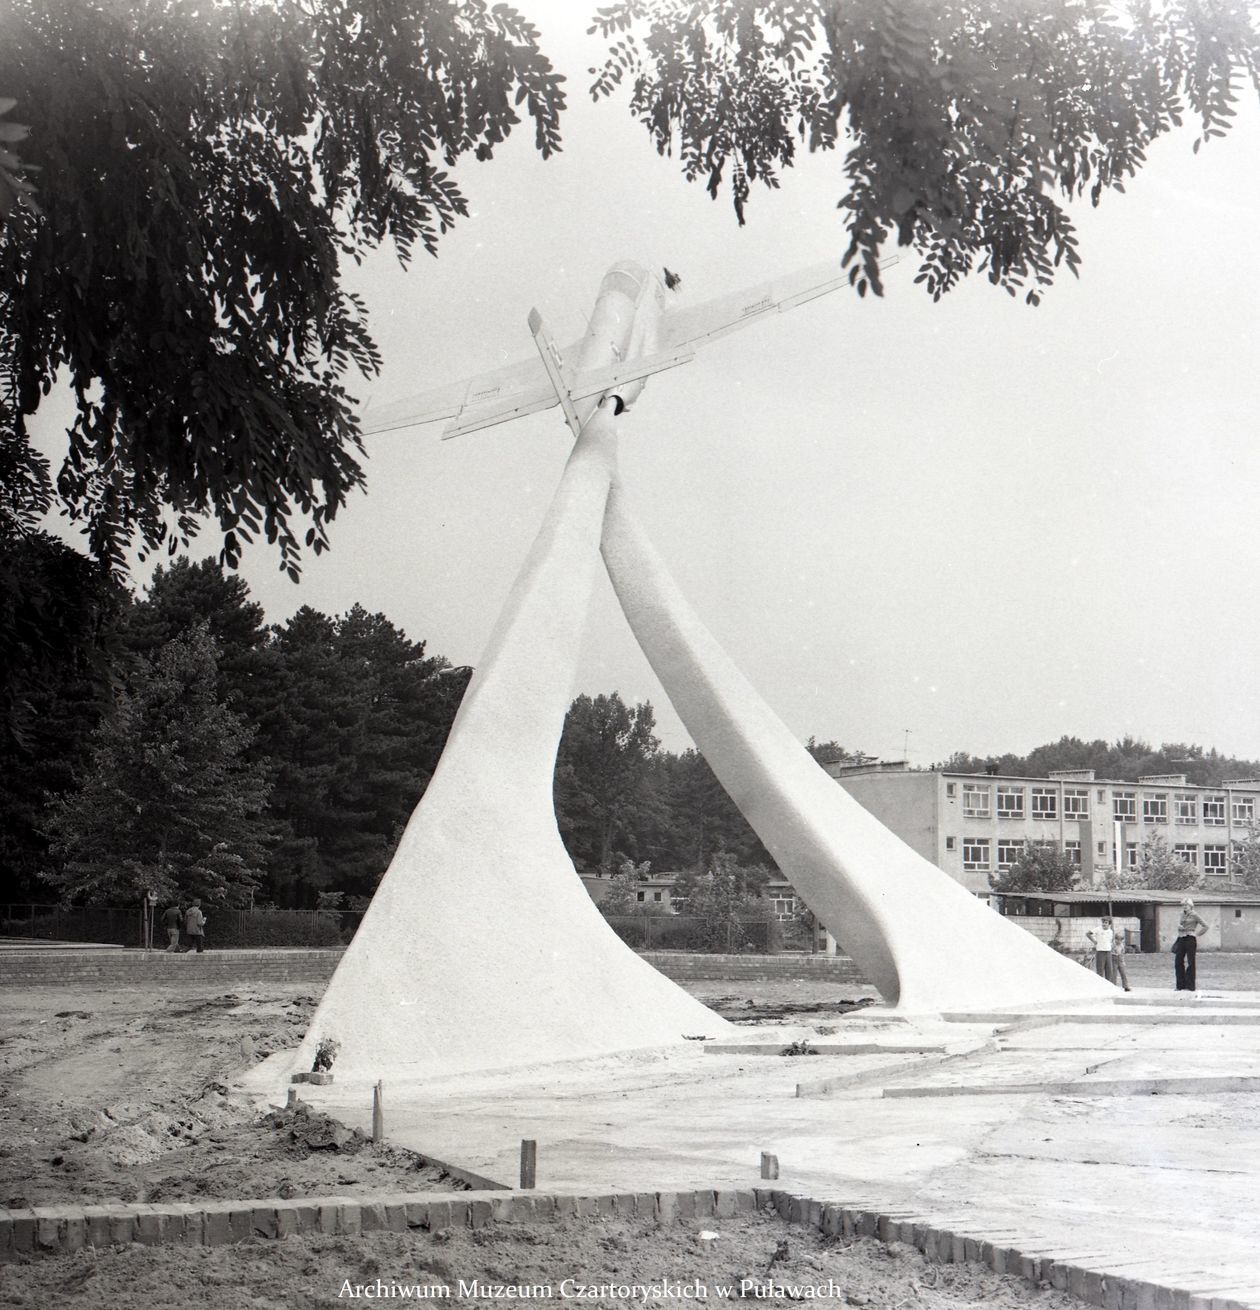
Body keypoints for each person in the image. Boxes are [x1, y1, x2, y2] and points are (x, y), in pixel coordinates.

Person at [1173, 897, 1208, 991]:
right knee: (1178, 961)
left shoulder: (1195, 915)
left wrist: (1197, 934)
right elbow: (1180, 925)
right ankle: (1180, 985)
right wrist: (1179, 927)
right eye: (1183, 905)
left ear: (1191, 906)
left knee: (1190, 962)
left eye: (1186, 905)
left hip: (1190, 938)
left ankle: (1190, 985)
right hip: (1181, 937)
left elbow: (1205, 926)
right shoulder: (1181, 914)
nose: (1184, 907)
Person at [1084, 917, 1115, 983]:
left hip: (1108, 952)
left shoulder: (1111, 931)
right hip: (1100, 952)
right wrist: (1094, 941)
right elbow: (1088, 933)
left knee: (1109, 969)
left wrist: (1111, 946)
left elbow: (1111, 941)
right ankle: (1100, 985)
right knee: (1100, 969)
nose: (1104, 924)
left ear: (1109, 924)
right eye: (1103, 922)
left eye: (1106, 923)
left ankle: (1108, 985)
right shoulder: (1098, 929)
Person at [1106, 916, 1131, 992]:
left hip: (1120, 959)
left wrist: (1123, 961)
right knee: (1114, 974)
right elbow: (1110, 953)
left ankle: (1126, 986)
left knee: (1123, 973)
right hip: (1114, 959)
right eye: (1118, 940)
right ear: (1115, 939)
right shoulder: (1112, 945)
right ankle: (1113, 986)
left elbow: (1122, 954)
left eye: (1120, 940)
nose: (1119, 942)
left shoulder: (1122, 946)